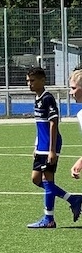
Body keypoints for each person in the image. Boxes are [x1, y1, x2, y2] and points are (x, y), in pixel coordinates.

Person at [26, 66, 82, 228]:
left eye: (32, 80)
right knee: (36, 179)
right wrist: (36, 145)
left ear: (42, 80)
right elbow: (40, 126)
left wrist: (51, 150)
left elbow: (53, 123)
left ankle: (48, 218)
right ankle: (73, 199)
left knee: (47, 180)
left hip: (50, 144)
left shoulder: (47, 98)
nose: (30, 84)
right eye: (28, 81)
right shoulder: (37, 99)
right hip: (42, 145)